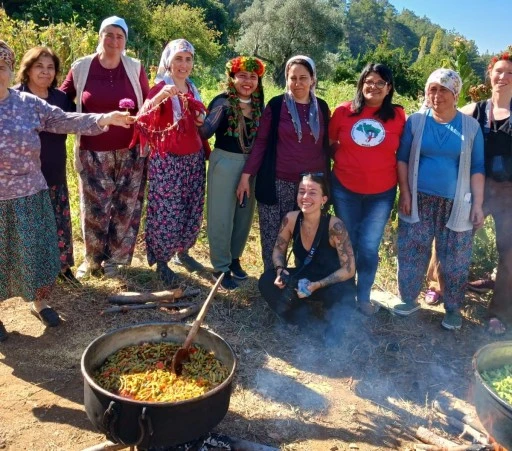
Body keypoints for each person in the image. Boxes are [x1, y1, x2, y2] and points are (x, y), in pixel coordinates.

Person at [0, 40, 135, 342]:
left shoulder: (26, 104)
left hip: (31, 193)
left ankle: (39, 303)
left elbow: (64, 119)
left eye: (2, 67)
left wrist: (104, 118)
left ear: (10, 70)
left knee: (37, 253)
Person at [60, 16, 150, 279]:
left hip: (130, 150)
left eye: (119, 36)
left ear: (125, 41)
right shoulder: (81, 67)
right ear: (99, 36)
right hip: (92, 150)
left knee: (126, 206)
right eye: (108, 35)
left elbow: (146, 103)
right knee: (94, 207)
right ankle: (93, 259)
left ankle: (115, 260)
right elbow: (62, 100)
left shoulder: (134, 67)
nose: (113, 41)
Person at [396, 68, 485, 330]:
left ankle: (453, 308)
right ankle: (409, 299)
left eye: (443, 89)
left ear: (455, 93)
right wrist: (406, 192)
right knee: (412, 250)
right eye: (432, 89)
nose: (437, 95)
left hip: (456, 204)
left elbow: (477, 167)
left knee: (455, 258)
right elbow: (402, 158)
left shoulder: (470, 127)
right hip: (418, 199)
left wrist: (477, 204)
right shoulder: (416, 121)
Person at [237, 55, 331, 271]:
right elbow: (261, 142)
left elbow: (328, 145)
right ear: (286, 80)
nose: (297, 83)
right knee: (273, 235)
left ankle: (302, 281)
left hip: (310, 187)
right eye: (292, 78)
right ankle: (273, 279)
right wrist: (246, 175)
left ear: (313, 79)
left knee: (307, 236)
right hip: (277, 182)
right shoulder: (277, 105)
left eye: (303, 78)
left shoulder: (323, 108)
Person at [329, 63, 406, 315]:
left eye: (380, 83)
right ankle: (344, 295)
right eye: (368, 81)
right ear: (361, 84)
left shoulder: (398, 115)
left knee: (369, 246)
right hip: (345, 189)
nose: (373, 87)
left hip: (381, 194)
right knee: (345, 242)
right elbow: (330, 146)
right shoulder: (343, 111)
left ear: (388, 88)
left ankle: (363, 297)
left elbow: (403, 153)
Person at [135, 39, 207, 285]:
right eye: (178, 59)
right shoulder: (161, 87)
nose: (183, 64)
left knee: (191, 208)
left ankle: (183, 252)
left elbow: (199, 120)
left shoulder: (192, 87)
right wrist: (158, 99)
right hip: (167, 160)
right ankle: (162, 261)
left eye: (188, 59)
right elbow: (142, 117)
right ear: (169, 61)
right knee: (167, 211)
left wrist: (200, 118)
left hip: (193, 158)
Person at [258, 174, 356, 338]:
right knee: (266, 281)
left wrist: (317, 285)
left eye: (312, 192)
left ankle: (330, 321)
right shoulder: (291, 219)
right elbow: (278, 251)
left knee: (341, 301)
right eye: (301, 191)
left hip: (330, 282)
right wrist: (280, 271)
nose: (305, 197)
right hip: (305, 279)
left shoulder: (335, 226)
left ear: (323, 199)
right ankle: (299, 318)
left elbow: (349, 269)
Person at [199, 56, 265, 290]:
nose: (247, 81)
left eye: (253, 77)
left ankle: (235, 258)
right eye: (242, 76)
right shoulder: (223, 102)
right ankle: (220, 266)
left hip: (250, 166)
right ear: (232, 77)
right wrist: (197, 118)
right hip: (225, 163)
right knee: (221, 215)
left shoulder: (259, 106)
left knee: (244, 215)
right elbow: (205, 132)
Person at [15, 46, 79, 284]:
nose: (45, 72)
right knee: (31, 229)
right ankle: (34, 277)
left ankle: (64, 269)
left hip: (54, 172)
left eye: (50, 67)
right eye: (39, 66)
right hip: (25, 180)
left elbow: (80, 122)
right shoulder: (14, 97)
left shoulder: (60, 99)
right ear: (28, 69)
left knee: (59, 224)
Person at [459, 49, 512, 334]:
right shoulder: (474, 111)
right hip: (477, 187)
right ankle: (438, 287)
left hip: (510, 194)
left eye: (509, 73)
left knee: (511, 254)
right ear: (489, 75)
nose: (503, 77)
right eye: (498, 71)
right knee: (456, 238)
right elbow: (443, 120)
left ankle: (499, 313)